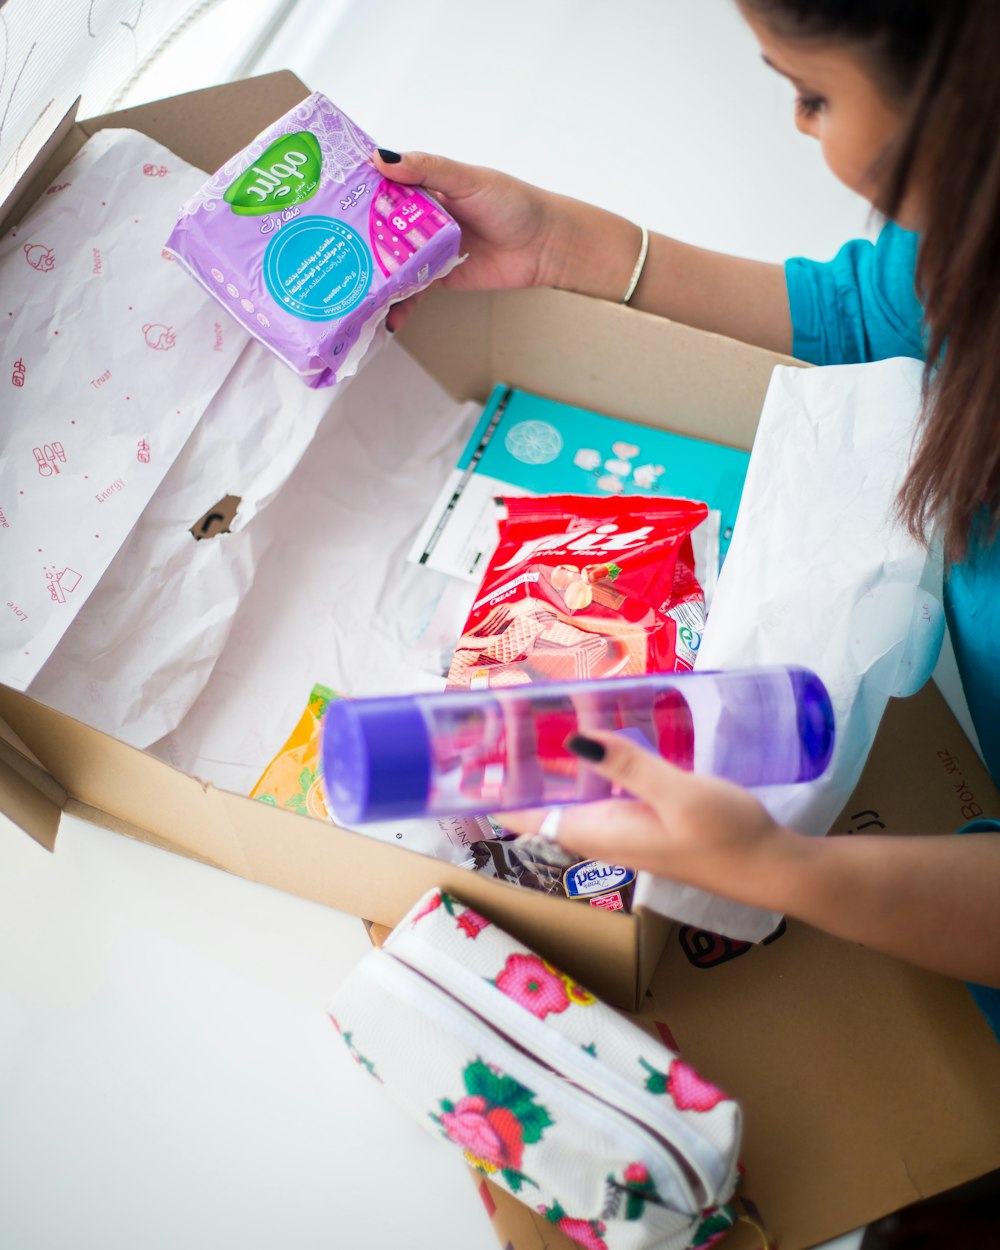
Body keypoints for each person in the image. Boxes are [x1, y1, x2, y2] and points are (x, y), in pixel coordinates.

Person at [372, 2, 1000, 1012]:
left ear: (964, 103)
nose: (798, 126)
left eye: (812, 92)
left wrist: (772, 868)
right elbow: (869, 310)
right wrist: (567, 245)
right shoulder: (969, 250)